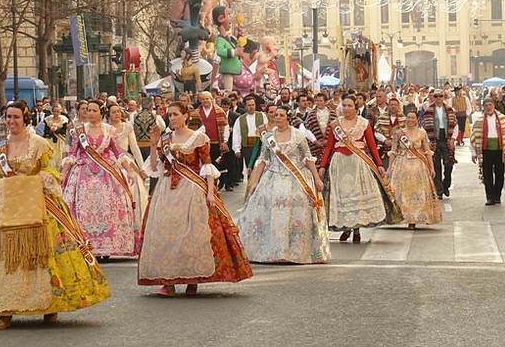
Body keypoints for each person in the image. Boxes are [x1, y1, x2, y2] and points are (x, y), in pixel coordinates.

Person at [0, 100, 110, 329]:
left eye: (16, 117)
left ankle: (50, 305)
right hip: (6, 207)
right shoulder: (0, 147)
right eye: (8, 117)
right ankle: (5, 310)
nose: (11, 121)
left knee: (44, 256)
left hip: (38, 205)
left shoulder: (38, 144)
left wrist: (27, 182)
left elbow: (51, 172)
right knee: (5, 257)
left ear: (26, 118)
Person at [138, 102, 252, 295]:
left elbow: (206, 165)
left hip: (192, 189)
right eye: (169, 115)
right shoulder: (165, 138)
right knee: (166, 233)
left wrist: (210, 192)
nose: (171, 118)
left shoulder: (198, 137)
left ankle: (192, 279)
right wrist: (153, 141)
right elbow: (156, 167)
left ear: (185, 117)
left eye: (175, 114)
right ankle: (169, 282)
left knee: (192, 233)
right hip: (168, 190)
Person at [238, 105, 330, 263]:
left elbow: (307, 158)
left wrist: (316, 178)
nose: (277, 117)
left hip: (295, 178)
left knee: (296, 215)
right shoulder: (268, 137)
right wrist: (255, 181)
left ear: (288, 116)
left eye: (281, 115)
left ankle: (293, 252)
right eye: (275, 115)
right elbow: (263, 160)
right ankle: (272, 251)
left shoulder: (299, 135)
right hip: (272, 177)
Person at [61, 100, 141, 258]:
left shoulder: (109, 131)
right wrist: (64, 172)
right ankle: (86, 243)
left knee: (108, 206)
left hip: (107, 174)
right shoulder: (78, 130)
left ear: (101, 112)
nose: (90, 113)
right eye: (88, 110)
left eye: (94, 110)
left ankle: (107, 246)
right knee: (83, 207)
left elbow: (118, 152)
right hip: (83, 174)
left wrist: (129, 171)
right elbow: (72, 154)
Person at [319, 96, 401, 243]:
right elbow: (329, 146)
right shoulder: (335, 124)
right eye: (344, 105)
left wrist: (379, 164)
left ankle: (356, 230)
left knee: (357, 196)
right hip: (339, 163)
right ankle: (346, 227)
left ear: (355, 107)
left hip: (358, 162)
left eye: (349, 105)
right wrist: (323, 165)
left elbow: (371, 145)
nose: (346, 108)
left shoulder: (364, 123)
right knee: (343, 197)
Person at [386, 105, 442, 229]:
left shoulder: (422, 133)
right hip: (401, 164)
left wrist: (431, 167)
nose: (410, 120)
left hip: (418, 165)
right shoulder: (398, 133)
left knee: (418, 192)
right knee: (402, 192)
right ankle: (401, 216)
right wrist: (389, 168)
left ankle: (415, 218)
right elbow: (393, 151)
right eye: (408, 118)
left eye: (413, 118)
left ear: (417, 120)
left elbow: (427, 151)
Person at [470, 97, 505, 205]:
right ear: (483, 107)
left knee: (500, 174)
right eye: (486, 106)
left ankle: (497, 196)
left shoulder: (502, 118)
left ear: (493, 106)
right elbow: (474, 137)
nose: (488, 107)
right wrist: (473, 153)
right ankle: (489, 197)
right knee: (487, 174)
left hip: (500, 150)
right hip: (486, 150)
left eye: (490, 105)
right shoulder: (479, 121)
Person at [421, 90, 458, 199]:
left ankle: (446, 184)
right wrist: (427, 140)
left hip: (446, 139)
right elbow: (424, 126)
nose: (438, 98)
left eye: (440, 96)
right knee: (436, 165)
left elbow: (455, 125)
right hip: (434, 140)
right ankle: (439, 190)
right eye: (436, 96)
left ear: (443, 97)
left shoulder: (449, 110)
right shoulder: (428, 111)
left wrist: (453, 139)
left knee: (448, 164)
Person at [41, 103, 69, 170]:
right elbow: (45, 131)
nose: (56, 113)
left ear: (60, 111)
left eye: (58, 111)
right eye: (55, 111)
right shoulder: (48, 119)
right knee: (51, 158)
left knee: (60, 158)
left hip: (60, 142)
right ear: (52, 111)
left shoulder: (64, 119)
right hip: (50, 142)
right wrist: (51, 130)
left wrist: (57, 129)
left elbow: (64, 131)